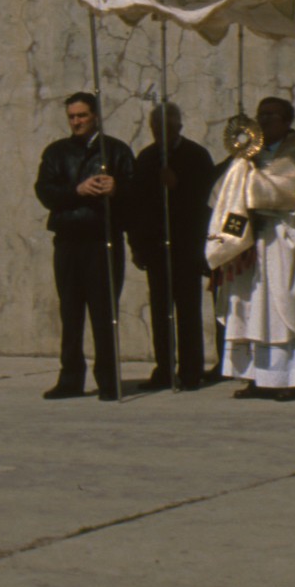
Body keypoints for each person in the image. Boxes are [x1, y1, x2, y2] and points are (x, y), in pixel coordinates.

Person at [34, 92, 135, 401]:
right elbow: (45, 191)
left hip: (102, 241)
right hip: (68, 241)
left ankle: (108, 379)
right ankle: (70, 378)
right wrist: (77, 190)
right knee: (71, 313)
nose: (77, 122)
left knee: (105, 313)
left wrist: (117, 188)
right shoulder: (56, 152)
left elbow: (137, 194)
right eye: (72, 117)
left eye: (82, 116)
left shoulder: (115, 151)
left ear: (96, 116)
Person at [211, 97, 295, 399]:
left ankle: (286, 379)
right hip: (250, 241)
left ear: (287, 121)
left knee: (280, 309)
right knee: (249, 306)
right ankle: (254, 376)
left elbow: (291, 192)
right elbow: (223, 194)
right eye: (260, 114)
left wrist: (253, 189)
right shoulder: (245, 157)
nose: (264, 121)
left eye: (272, 116)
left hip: (281, 237)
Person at [127, 101, 215, 389]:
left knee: (188, 310)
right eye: (155, 128)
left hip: (186, 247)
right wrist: (136, 244)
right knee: (161, 311)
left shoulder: (196, 156)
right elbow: (137, 205)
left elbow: (204, 199)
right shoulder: (147, 157)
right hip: (156, 247)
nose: (159, 133)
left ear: (178, 127)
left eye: (166, 127)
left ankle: (191, 371)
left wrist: (178, 185)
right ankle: (164, 369)